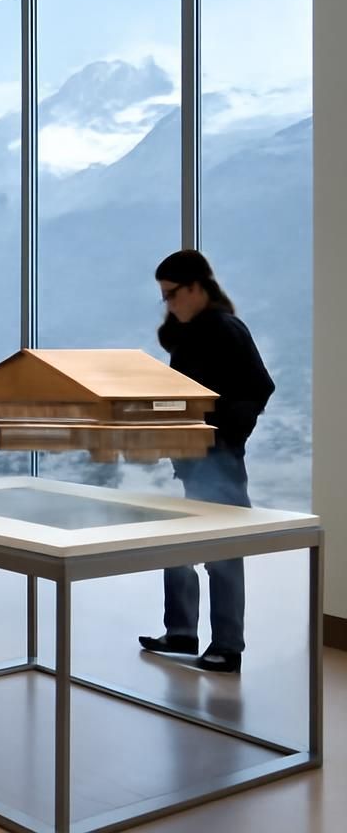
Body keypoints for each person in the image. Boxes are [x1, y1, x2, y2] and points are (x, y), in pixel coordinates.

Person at [139, 250, 274, 674]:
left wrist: (225, 432)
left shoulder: (224, 329)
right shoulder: (194, 332)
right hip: (194, 458)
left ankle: (227, 645)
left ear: (196, 287)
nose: (169, 304)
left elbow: (258, 387)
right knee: (180, 543)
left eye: (172, 294)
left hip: (218, 459)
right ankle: (182, 631)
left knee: (223, 552)